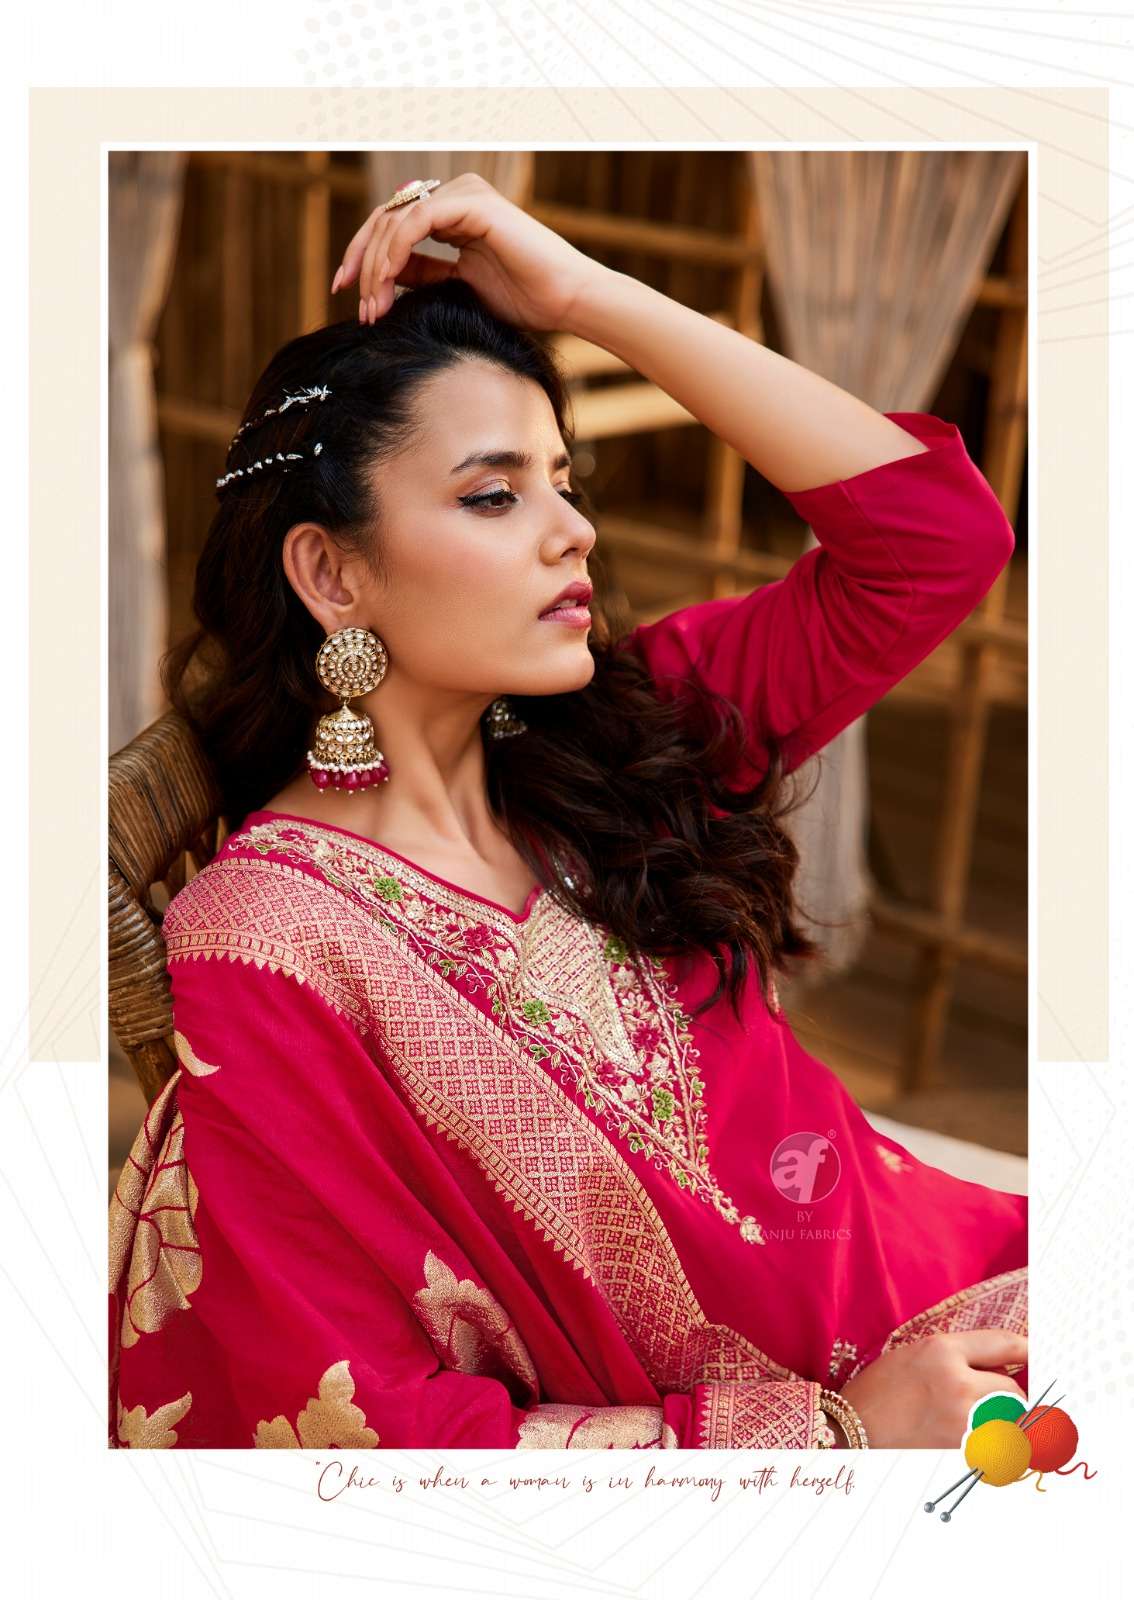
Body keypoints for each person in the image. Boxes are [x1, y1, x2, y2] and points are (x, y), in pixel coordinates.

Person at [109, 172, 1027, 1452]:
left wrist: (586, 297)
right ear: (330, 571)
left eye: (565, 480)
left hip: (1005, 1300)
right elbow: (371, 1426)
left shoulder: (631, 731)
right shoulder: (267, 949)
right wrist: (833, 1438)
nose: (574, 532)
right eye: (496, 495)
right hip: (855, 1469)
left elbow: (937, 538)